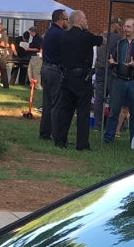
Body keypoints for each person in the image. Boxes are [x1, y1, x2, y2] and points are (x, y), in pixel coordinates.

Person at [41, 8, 98, 150]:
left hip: (65, 76)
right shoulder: (85, 36)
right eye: (84, 18)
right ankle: (82, 144)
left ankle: (59, 139)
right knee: (83, 111)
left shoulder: (63, 36)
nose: (86, 21)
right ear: (79, 21)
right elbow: (100, 40)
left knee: (64, 109)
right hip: (80, 78)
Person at [102, 17, 134, 145]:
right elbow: (112, 58)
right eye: (125, 26)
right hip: (119, 81)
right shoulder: (120, 44)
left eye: (129, 26)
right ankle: (108, 138)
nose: (125, 28)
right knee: (114, 111)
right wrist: (112, 63)